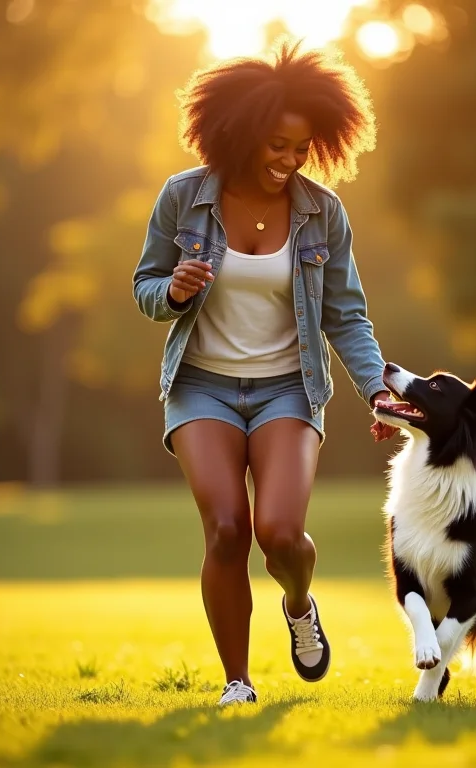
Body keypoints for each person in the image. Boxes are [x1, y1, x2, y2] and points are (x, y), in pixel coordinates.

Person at [132, 40, 397, 706]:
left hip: (287, 388)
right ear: (242, 134)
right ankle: (237, 683)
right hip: (202, 387)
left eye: (301, 148)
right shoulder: (182, 198)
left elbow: (347, 317)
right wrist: (174, 292)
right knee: (226, 527)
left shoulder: (322, 213)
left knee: (279, 533)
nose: (288, 160)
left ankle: (300, 603)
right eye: (276, 146)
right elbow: (143, 286)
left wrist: (377, 390)